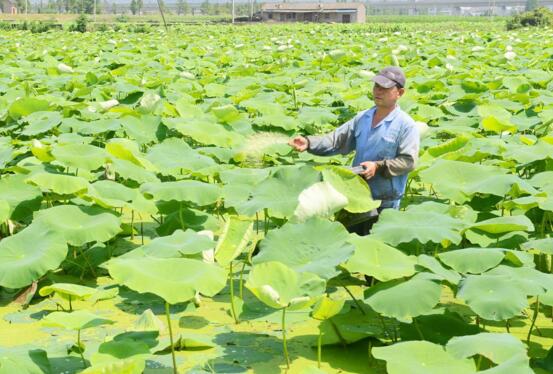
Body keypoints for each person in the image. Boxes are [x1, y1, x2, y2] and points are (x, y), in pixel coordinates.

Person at [289, 66, 420, 236]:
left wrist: (378, 166)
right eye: (376, 86)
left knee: (374, 250)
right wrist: (308, 142)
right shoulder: (363, 118)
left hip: (385, 201)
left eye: (385, 88)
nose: (378, 91)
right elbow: (335, 141)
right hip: (356, 196)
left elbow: (408, 161)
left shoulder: (406, 125)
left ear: (400, 93)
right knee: (349, 245)